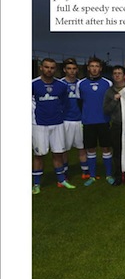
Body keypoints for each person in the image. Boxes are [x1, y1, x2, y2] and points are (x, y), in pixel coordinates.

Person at [32, 58, 74, 194]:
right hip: (39, 124)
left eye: (51, 68)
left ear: (55, 69)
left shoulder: (61, 86)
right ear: (41, 68)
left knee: (58, 153)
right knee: (39, 154)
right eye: (46, 67)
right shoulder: (32, 84)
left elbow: (64, 103)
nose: (49, 70)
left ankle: (61, 180)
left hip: (57, 124)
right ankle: (36, 184)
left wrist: (59, 114)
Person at [77, 56, 114, 186]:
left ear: (100, 68)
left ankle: (109, 174)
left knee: (106, 148)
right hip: (88, 122)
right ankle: (92, 176)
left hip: (104, 121)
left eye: (97, 66)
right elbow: (79, 102)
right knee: (90, 149)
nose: (94, 69)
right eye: (92, 66)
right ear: (88, 68)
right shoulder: (80, 84)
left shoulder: (107, 83)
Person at [103, 65, 125, 185]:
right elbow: (106, 110)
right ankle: (118, 175)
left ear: (124, 75)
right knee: (117, 151)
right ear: (112, 76)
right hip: (117, 125)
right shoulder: (109, 91)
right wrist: (114, 100)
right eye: (115, 73)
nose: (117, 75)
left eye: (120, 73)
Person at [60, 58, 89, 180]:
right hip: (65, 120)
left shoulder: (81, 84)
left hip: (79, 120)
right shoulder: (59, 84)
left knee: (82, 147)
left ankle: (85, 171)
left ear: (77, 70)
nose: (71, 71)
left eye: (74, 69)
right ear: (64, 70)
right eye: (69, 69)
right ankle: (65, 172)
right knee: (64, 149)